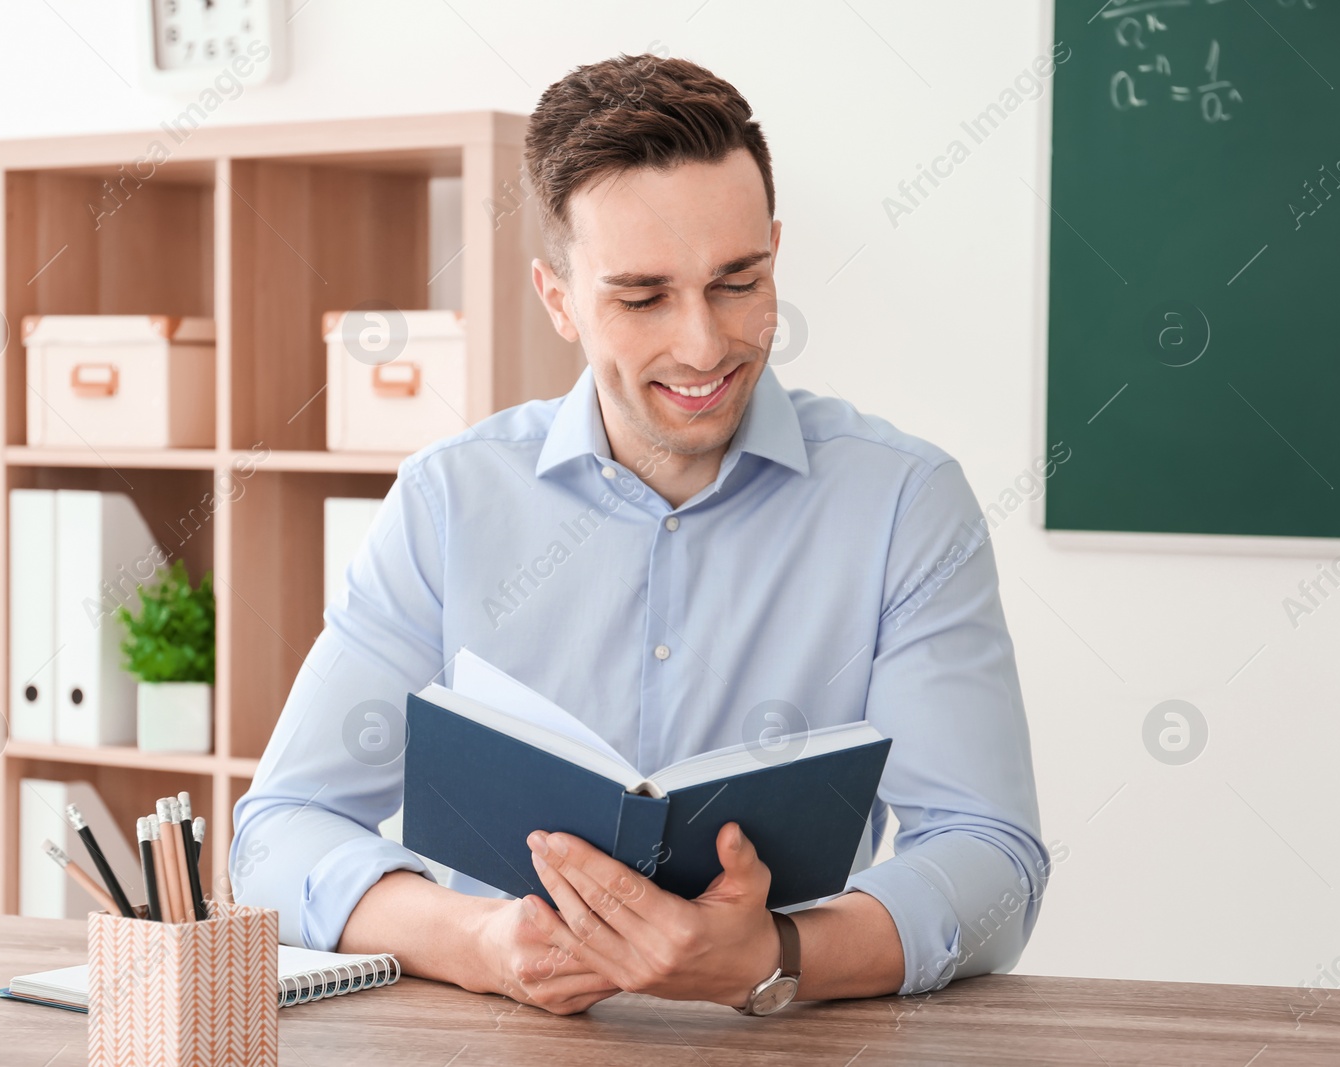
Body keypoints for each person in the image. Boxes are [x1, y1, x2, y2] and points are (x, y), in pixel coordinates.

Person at [232, 52, 1047, 1016]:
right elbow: (279, 830)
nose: (703, 346)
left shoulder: (908, 504)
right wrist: (482, 942)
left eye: (737, 282)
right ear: (559, 299)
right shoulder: (449, 500)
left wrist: (779, 952)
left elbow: (993, 859)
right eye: (643, 297)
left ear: (774, 254)